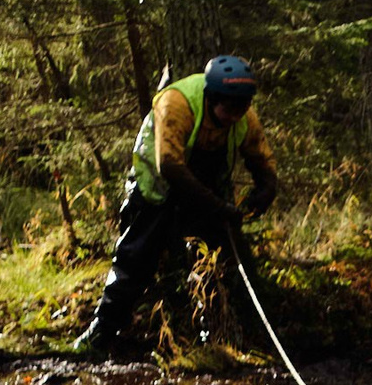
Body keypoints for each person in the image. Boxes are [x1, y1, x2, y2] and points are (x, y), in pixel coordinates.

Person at [72, 56, 280, 357]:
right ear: (212, 98)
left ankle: (225, 337)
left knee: (227, 259)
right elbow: (169, 166)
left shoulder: (244, 116)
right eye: (229, 109)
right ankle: (99, 334)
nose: (235, 116)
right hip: (157, 186)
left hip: (204, 189)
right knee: (135, 259)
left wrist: (266, 188)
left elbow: (262, 157)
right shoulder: (176, 104)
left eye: (241, 108)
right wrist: (219, 208)